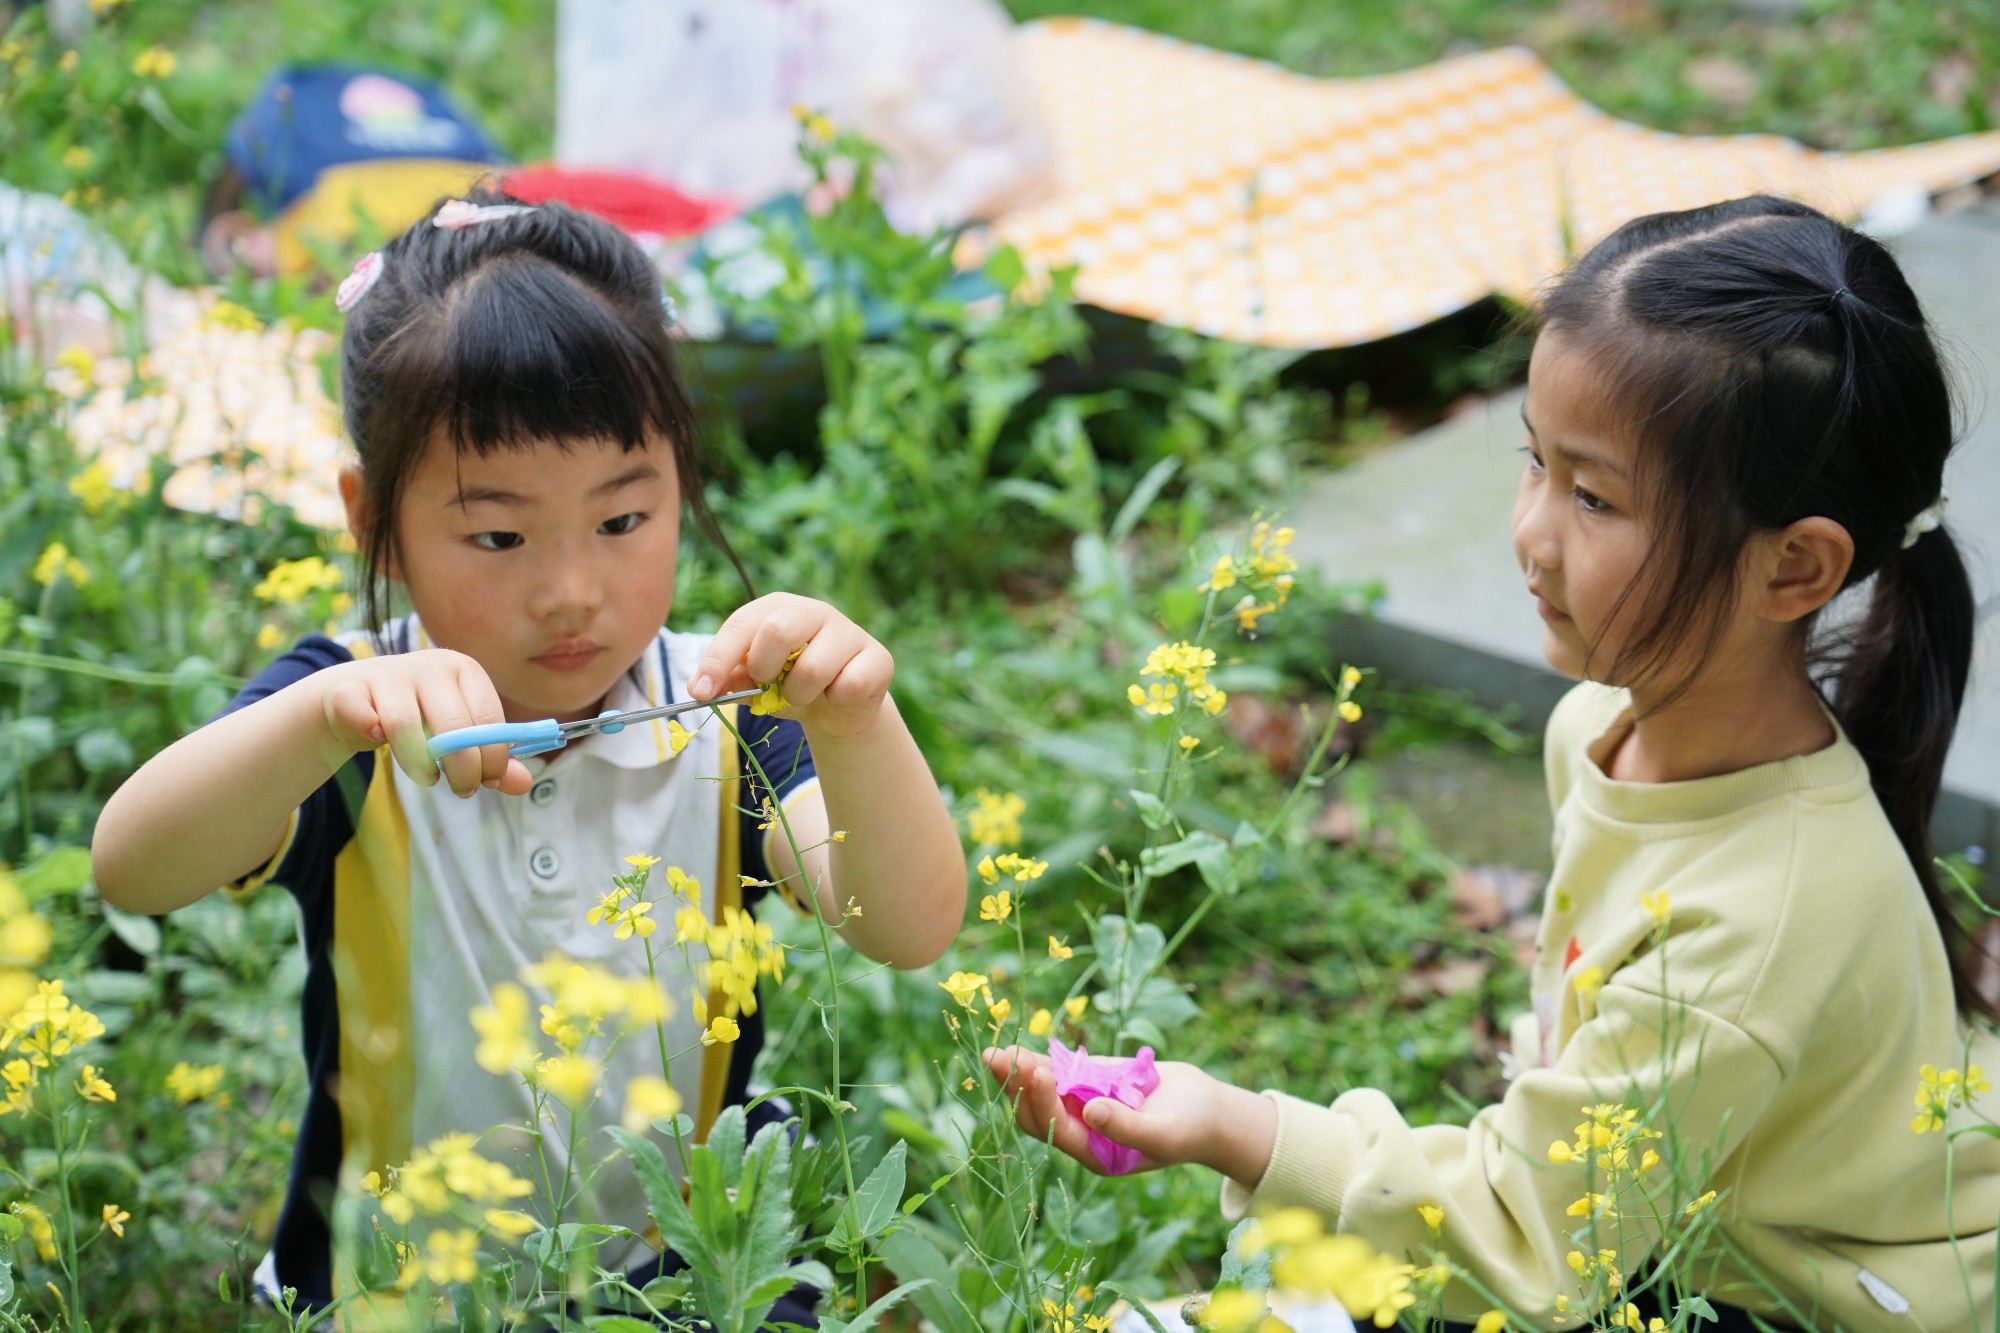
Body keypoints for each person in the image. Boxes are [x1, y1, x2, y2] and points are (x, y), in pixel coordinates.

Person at [986, 195, 2000, 1329]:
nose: (1528, 530)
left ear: (1791, 569)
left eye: (1593, 496)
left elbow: (1527, 1243)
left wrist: (1234, 1122)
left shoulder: (1764, 917)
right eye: (1535, 462)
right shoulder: (1599, 730)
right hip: (1663, 1228)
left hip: (1803, 1300)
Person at [92, 188, 968, 1311]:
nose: (570, 592)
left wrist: (853, 722)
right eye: (498, 534)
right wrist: (324, 720)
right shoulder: (346, 716)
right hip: (394, 1287)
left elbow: (903, 922)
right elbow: (133, 863)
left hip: (685, 1277)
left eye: (621, 520)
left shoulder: (726, 713)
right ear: (376, 528)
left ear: (680, 478)